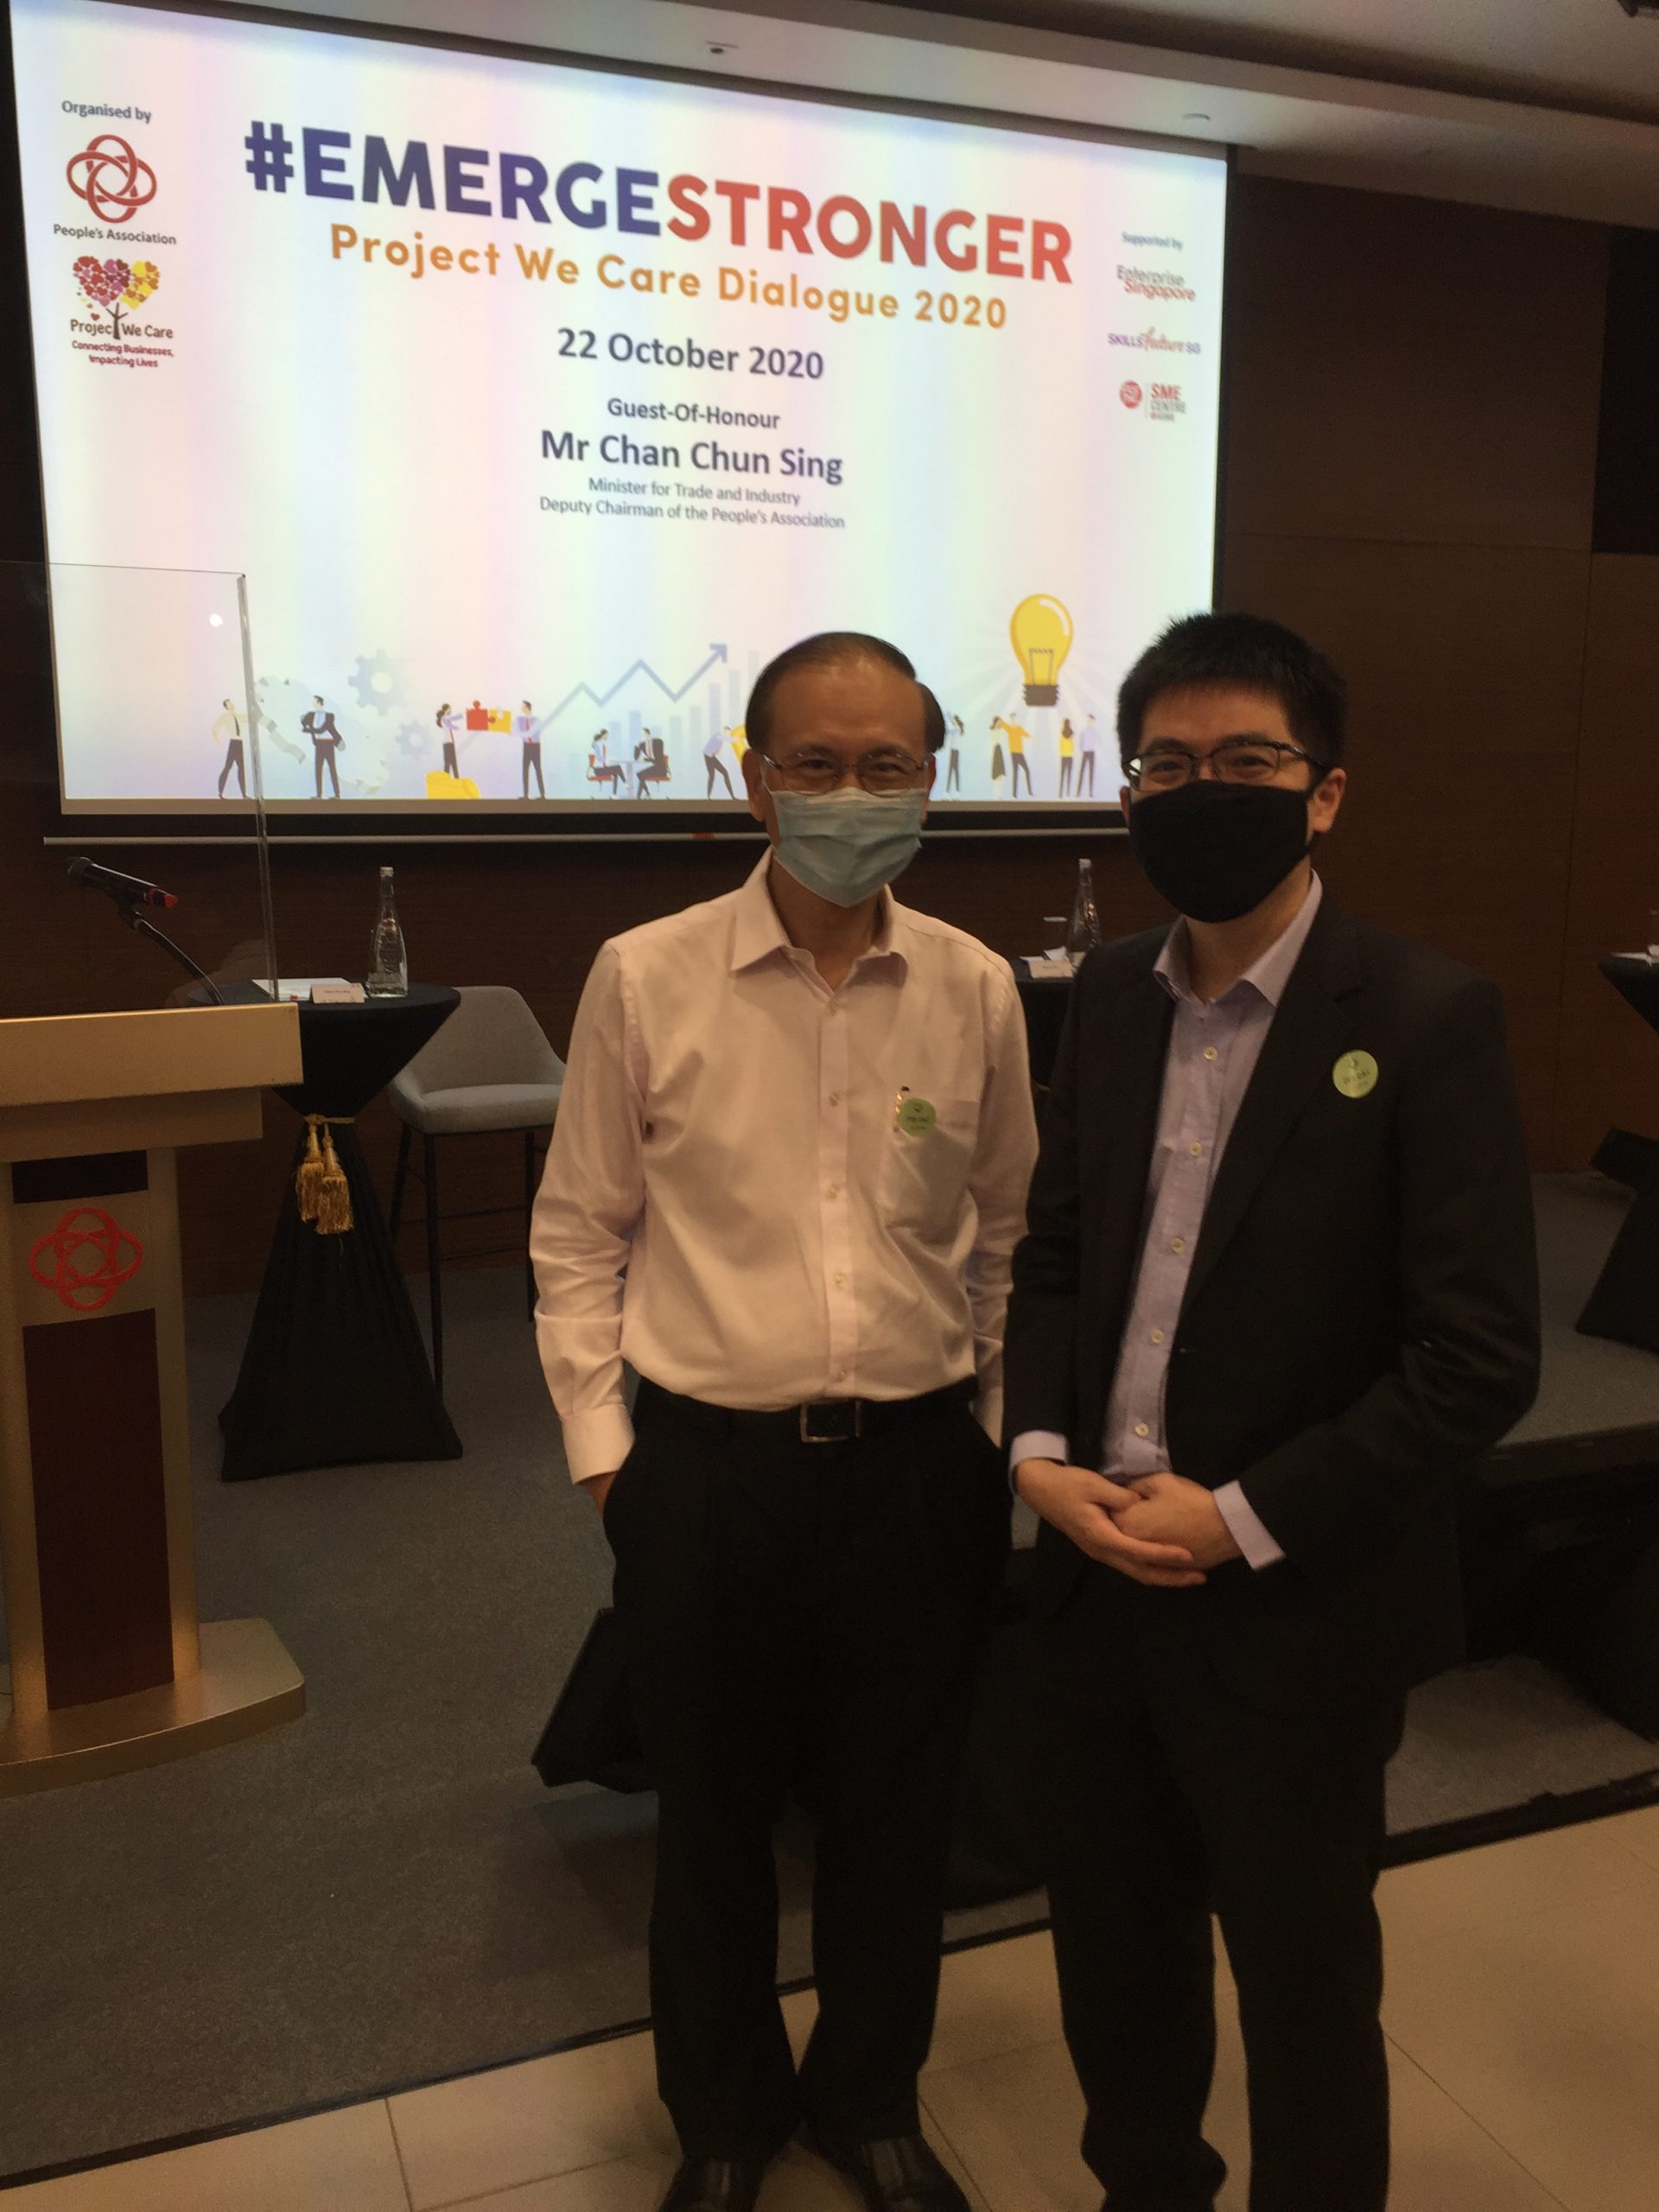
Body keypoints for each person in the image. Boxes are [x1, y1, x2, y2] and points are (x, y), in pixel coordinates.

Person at [1005, 610, 1541, 2212]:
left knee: (1305, 1985)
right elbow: (1055, 1255)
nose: (1204, 793)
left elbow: (1476, 1358)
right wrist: (1039, 1454)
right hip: (1095, 1575)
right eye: (1166, 766)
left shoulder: (1428, 1015)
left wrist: (1238, 1519)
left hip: (1297, 1604)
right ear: (1127, 791)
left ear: (1326, 793)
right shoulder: (1108, 993)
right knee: (1116, 1954)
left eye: (1246, 762)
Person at [532, 632, 1038, 2212]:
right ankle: (725, 2121)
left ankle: (871, 2101)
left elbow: (1008, 1236)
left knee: (901, 1813)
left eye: (888, 766)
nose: (852, 796)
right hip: (705, 1475)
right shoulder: (646, 974)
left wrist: (991, 1433)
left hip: (919, 1472)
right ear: (755, 781)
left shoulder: (975, 986)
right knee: (715, 1822)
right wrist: (609, 1461)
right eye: (817, 764)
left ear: (931, 784)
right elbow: (577, 1235)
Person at [302, 696, 344, 798]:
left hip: (328, 744)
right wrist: (305, 724)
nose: (313, 704)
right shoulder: (311, 715)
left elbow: (321, 730)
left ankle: (337, 794)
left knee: (332, 768)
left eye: (314, 702)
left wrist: (307, 730)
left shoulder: (329, 716)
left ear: (319, 703)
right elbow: (303, 721)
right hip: (319, 744)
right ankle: (319, 794)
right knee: (318, 769)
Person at [213, 696, 246, 798]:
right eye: (229, 704)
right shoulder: (224, 717)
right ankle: (220, 793)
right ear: (226, 707)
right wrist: (220, 743)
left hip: (240, 743)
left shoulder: (240, 716)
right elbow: (214, 730)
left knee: (241, 769)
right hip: (233, 743)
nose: (231, 704)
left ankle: (244, 795)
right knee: (228, 767)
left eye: (231, 703)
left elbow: (252, 719)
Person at [515, 701, 547, 798]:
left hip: (535, 746)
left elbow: (533, 732)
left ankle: (542, 794)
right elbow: (516, 730)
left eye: (523, 707)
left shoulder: (536, 720)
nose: (521, 708)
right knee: (525, 770)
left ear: (527, 707)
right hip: (527, 746)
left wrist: (521, 733)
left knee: (538, 769)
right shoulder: (520, 720)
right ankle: (525, 795)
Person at [704, 723, 738, 797]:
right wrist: (736, 739)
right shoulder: (718, 736)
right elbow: (726, 738)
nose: (728, 735)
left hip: (711, 757)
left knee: (724, 773)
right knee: (712, 775)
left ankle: (732, 796)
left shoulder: (720, 739)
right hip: (709, 757)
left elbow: (716, 751)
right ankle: (708, 796)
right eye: (727, 733)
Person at [437, 702, 461, 779]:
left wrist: (459, 716)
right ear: (447, 709)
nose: (451, 710)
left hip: (449, 742)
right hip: (448, 743)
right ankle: (453, 778)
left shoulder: (445, 718)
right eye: (450, 709)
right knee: (450, 762)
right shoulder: (444, 718)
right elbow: (450, 724)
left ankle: (454, 778)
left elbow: (453, 719)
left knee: (450, 762)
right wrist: (455, 727)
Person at [1077, 712, 1099, 798]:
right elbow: (1080, 742)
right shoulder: (1084, 731)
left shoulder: (1095, 732)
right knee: (1082, 772)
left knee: (1091, 773)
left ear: (1093, 721)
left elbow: (1098, 742)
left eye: (1091, 720)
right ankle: (1078, 792)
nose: (1089, 721)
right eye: (1088, 720)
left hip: (1091, 753)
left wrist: (1094, 747)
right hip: (1085, 752)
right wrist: (1082, 749)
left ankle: (1090, 793)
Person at [944, 713, 963, 794]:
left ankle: (956, 791)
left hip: (955, 752)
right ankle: (948, 791)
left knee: (954, 771)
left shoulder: (957, 729)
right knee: (951, 771)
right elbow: (948, 730)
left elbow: (951, 728)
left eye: (954, 720)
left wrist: (948, 717)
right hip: (953, 752)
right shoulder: (954, 729)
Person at [1058, 717, 1076, 797]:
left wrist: (1062, 750)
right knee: (1069, 775)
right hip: (1070, 756)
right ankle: (1068, 792)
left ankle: (1061, 793)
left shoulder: (1062, 733)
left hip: (1063, 756)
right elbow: (1072, 745)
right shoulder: (1072, 733)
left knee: (1062, 775)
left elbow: (1060, 746)